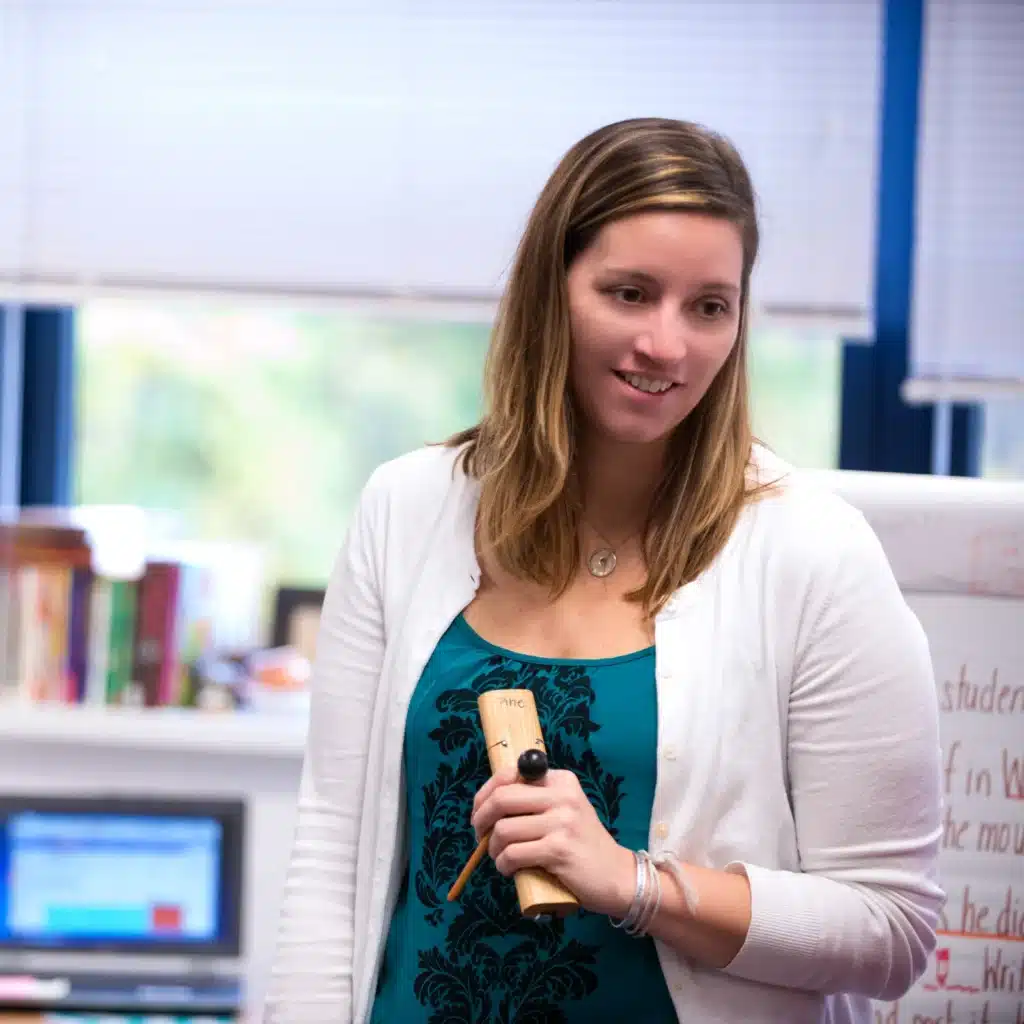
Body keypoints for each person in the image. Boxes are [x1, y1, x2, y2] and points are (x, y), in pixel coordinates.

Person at [264, 118, 944, 1024]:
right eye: (630, 293)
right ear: (551, 291)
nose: (667, 346)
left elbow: (889, 931)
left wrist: (634, 882)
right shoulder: (406, 507)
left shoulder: (813, 552)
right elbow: (331, 855)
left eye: (709, 306)